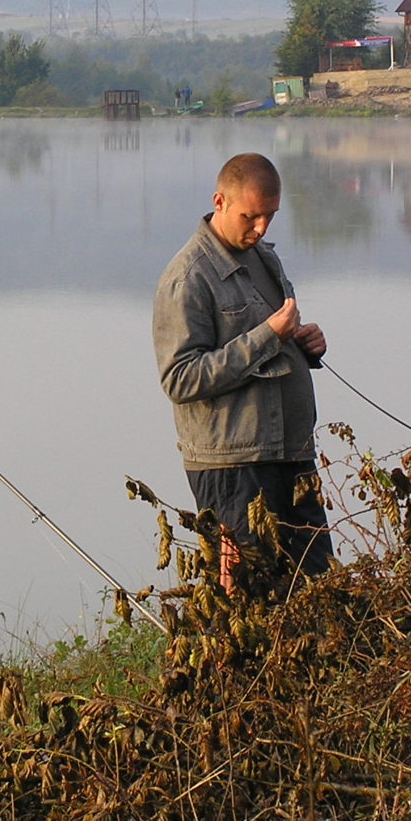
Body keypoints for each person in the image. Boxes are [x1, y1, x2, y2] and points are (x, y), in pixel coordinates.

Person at [153, 153, 334, 585]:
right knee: (245, 595)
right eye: (250, 217)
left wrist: (305, 343)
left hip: (289, 454)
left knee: (317, 586)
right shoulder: (188, 278)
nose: (261, 229)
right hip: (233, 470)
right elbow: (179, 378)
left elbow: (271, 341)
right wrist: (269, 336)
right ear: (219, 201)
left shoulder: (264, 259)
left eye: (270, 216)